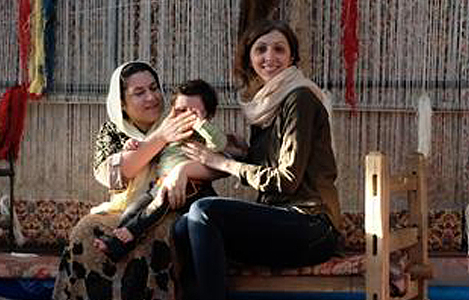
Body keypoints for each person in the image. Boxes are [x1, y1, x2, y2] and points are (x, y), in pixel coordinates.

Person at [174, 20, 343, 300]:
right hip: (281, 222)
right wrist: (244, 153)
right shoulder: (264, 106)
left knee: (204, 211)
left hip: (311, 225)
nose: (269, 57)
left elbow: (286, 180)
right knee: (183, 227)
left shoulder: (298, 98)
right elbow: (270, 166)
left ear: (292, 57)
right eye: (260, 49)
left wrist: (220, 162)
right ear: (249, 58)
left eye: (279, 49)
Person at [53, 61, 218, 300]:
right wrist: (160, 139)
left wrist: (182, 171)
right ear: (122, 102)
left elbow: (217, 162)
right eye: (139, 93)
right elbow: (112, 175)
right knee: (85, 230)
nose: (151, 97)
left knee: (158, 233)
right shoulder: (113, 130)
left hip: (173, 205)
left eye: (154, 88)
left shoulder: (180, 119)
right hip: (127, 208)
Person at [94, 79, 227, 262]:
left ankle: (131, 231)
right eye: (180, 111)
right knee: (133, 210)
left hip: (191, 186)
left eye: (193, 113)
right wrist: (133, 145)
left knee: (157, 205)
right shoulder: (170, 133)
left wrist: (200, 125)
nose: (185, 117)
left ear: (208, 116)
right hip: (159, 182)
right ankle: (116, 245)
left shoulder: (201, 137)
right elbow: (153, 151)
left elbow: (219, 144)